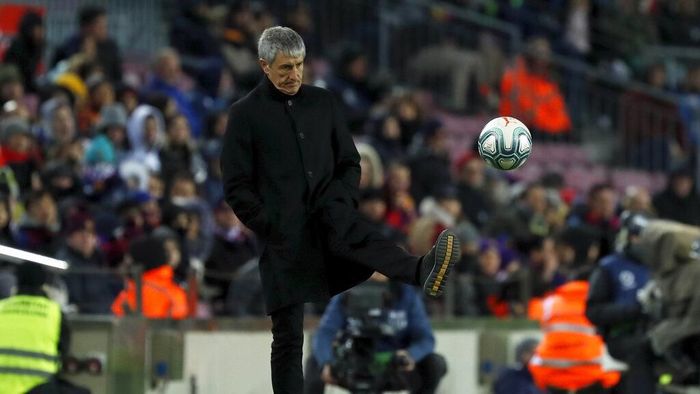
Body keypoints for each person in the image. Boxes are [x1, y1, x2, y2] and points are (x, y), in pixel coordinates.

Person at [221, 26, 460, 393]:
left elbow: (349, 161)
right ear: (264, 66)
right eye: (285, 67)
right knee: (288, 334)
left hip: (329, 213)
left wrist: (342, 198)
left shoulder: (324, 102)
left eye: (299, 65)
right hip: (281, 235)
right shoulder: (244, 115)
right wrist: (268, 224)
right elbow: (236, 186)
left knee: (363, 236)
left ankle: (420, 269)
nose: (294, 75)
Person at [305, 272, 447, 394]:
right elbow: (324, 333)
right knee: (314, 362)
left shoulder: (405, 293)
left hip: (392, 365)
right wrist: (327, 362)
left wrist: (411, 355)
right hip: (353, 362)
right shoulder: (346, 292)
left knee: (434, 363)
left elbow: (426, 339)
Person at [585, 212, 654, 394]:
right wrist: (635, 309)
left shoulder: (658, 267)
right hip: (621, 335)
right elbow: (593, 311)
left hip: (655, 332)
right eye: (637, 236)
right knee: (643, 350)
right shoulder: (609, 267)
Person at [0, 263, 88, 394]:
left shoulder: (1, 308)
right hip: (40, 389)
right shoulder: (55, 313)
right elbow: (63, 352)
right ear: (43, 284)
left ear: (17, 281)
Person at [111, 234, 189, 319]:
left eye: (130, 257)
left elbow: (116, 318)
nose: (126, 261)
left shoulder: (140, 289)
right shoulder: (173, 291)